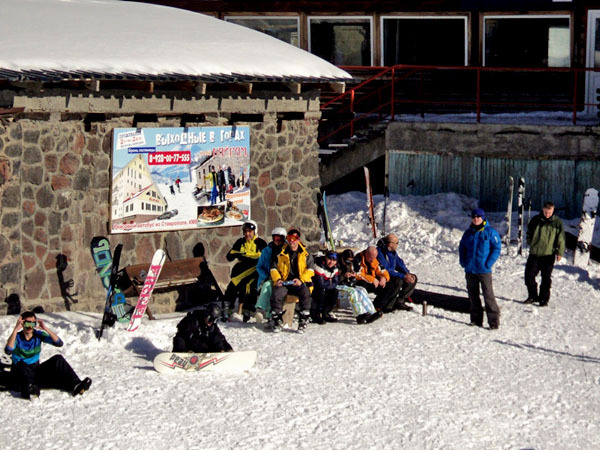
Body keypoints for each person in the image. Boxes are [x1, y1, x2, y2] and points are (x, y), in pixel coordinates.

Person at [5, 311, 92, 399]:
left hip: (34, 371)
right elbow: (8, 350)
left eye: (32, 323)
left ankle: (76, 385)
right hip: (19, 375)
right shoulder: (16, 337)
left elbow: (59, 343)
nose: (30, 326)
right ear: (22, 324)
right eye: (27, 323)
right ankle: (30, 390)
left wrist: (45, 328)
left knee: (58, 359)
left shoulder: (38, 335)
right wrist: (15, 329)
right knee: (21, 364)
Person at [459, 208, 502, 329]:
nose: (476, 219)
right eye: (474, 217)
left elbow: (496, 248)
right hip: (470, 269)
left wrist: (489, 263)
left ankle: (493, 322)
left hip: (483, 270)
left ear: (483, 218)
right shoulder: (468, 233)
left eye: (478, 217)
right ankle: (476, 319)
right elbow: (462, 247)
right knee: (473, 295)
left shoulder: (490, 232)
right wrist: (463, 261)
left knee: (488, 295)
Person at [270, 228, 314, 333]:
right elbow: (273, 268)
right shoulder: (280, 253)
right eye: (289, 238)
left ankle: (303, 319)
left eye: (294, 239)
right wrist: (278, 279)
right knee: (277, 294)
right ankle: (277, 320)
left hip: (299, 282)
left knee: (305, 293)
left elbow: (310, 270)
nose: (292, 241)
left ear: (298, 240)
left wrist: (301, 279)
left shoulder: (305, 254)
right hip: (285, 281)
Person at [223, 220, 267, 322]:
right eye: (245, 231)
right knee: (232, 286)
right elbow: (229, 257)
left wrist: (244, 255)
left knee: (250, 286)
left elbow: (263, 259)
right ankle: (227, 308)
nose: (247, 234)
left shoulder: (260, 243)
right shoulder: (240, 242)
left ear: (255, 231)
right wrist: (241, 255)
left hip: (254, 272)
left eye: (249, 231)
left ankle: (248, 309)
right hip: (240, 271)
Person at [524, 201, 565, 306]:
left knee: (546, 278)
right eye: (546, 212)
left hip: (548, 255)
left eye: (550, 213)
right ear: (543, 210)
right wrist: (530, 242)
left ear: (553, 211)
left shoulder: (557, 223)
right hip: (535, 253)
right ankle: (533, 296)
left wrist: (559, 252)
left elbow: (561, 238)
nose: (547, 215)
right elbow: (529, 232)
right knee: (529, 276)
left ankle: (543, 299)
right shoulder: (535, 220)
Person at [337, 249, 382, 324]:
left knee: (361, 290)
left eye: (351, 260)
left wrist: (353, 276)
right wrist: (343, 276)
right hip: (336, 286)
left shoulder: (350, 265)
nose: (349, 262)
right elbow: (334, 278)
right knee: (353, 292)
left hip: (346, 285)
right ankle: (359, 315)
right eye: (348, 260)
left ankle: (372, 312)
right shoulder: (337, 264)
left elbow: (355, 274)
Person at [354, 245, 402, 313]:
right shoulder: (357, 259)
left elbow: (382, 270)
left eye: (374, 258)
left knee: (389, 285)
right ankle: (364, 309)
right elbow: (357, 274)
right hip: (359, 282)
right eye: (371, 258)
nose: (372, 260)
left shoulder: (374, 259)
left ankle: (377, 306)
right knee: (362, 285)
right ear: (366, 254)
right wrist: (372, 279)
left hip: (373, 282)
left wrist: (383, 277)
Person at [377, 233, 417, 311]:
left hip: (390, 274)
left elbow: (399, 263)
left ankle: (400, 301)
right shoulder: (381, 252)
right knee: (398, 281)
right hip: (382, 275)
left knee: (412, 278)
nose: (397, 245)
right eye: (397, 243)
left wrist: (407, 273)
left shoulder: (392, 252)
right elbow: (386, 269)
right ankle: (388, 305)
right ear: (391, 244)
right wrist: (403, 276)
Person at [254, 227, 287, 321]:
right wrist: (265, 276)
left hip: (283, 279)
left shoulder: (286, 251)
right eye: (275, 238)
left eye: (279, 239)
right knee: (267, 285)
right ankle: (261, 310)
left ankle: (269, 314)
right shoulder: (267, 251)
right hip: (268, 277)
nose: (277, 241)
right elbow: (259, 266)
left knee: (272, 288)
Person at [311, 251, 340, 324]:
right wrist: (330, 283)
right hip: (314, 288)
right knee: (321, 292)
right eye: (329, 259)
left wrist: (330, 285)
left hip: (326, 287)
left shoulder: (335, 267)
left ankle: (325, 313)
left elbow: (336, 281)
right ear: (325, 258)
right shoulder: (319, 265)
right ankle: (315, 314)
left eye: (334, 260)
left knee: (334, 292)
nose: (331, 262)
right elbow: (320, 283)